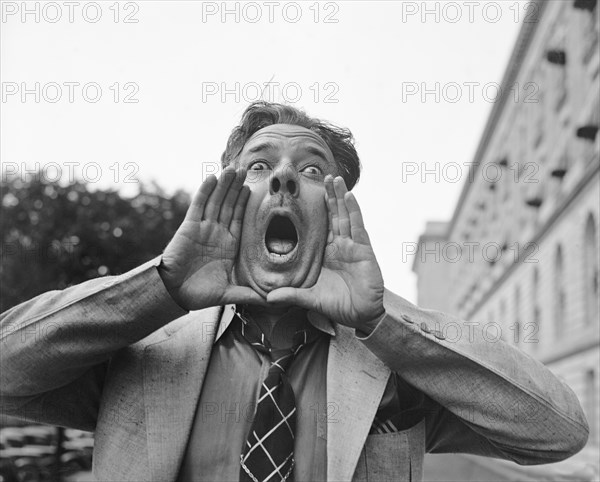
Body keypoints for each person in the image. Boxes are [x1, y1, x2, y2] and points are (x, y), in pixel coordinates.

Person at [0, 102, 589, 482]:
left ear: (335, 212)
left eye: (312, 170)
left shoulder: (394, 360)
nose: (283, 177)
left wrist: (382, 323)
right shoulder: (144, 346)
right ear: (230, 197)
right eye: (258, 167)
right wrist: (159, 289)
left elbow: (557, 433)